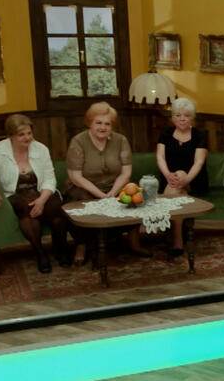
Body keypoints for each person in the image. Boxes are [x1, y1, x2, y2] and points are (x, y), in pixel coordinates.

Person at [0, 114, 70, 273]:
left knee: (57, 208)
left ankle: (61, 250)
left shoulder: (41, 149)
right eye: (21, 134)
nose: (27, 138)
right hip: (16, 195)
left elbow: (49, 179)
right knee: (26, 209)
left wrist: (42, 200)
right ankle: (40, 253)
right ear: (10, 136)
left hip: (40, 192)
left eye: (29, 133)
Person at [64, 102, 146, 262]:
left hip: (113, 186)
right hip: (83, 187)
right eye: (98, 123)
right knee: (82, 200)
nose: (103, 127)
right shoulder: (78, 141)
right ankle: (82, 245)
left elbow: (126, 173)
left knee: (134, 194)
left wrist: (112, 193)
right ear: (90, 122)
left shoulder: (121, 140)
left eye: (107, 124)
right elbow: (76, 176)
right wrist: (101, 195)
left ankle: (134, 242)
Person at [156, 97, 208, 256]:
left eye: (186, 115)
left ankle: (170, 233)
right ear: (172, 117)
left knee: (180, 175)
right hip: (169, 179)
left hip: (194, 180)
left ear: (192, 118)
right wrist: (167, 175)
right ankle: (178, 239)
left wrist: (186, 179)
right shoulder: (165, 133)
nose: (182, 119)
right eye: (177, 115)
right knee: (176, 190)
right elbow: (160, 157)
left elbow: (199, 162)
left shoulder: (200, 135)